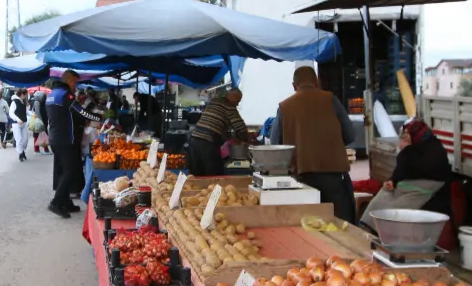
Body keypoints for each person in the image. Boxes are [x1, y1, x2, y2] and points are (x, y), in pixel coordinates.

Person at [269, 66, 356, 223]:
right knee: (339, 223)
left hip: (300, 176)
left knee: (307, 224)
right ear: (317, 82)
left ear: (294, 86)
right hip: (333, 175)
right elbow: (350, 135)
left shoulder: (285, 107)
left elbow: (275, 143)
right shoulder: (331, 100)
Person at [361, 119, 452, 228]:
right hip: (408, 186)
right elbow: (402, 169)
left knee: (392, 211)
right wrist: (393, 180)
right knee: (381, 198)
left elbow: (414, 167)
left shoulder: (434, 151)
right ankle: (366, 225)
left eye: (408, 135)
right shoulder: (417, 147)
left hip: (422, 190)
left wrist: (407, 149)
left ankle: (377, 230)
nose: (405, 137)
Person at [46, 70, 104, 218]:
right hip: (66, 139)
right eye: (75, 83)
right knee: (69, 171)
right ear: (70, 81)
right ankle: (56, 202)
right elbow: (81, 112)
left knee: (63, 170)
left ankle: (66, 202)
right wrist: (99, 117)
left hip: (55, 138)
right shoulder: (66, 95)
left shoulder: (52, 95)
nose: (75, 86)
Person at [189, 88, 249, 176]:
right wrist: (245, 139)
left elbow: (216, 123)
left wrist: (230, 136)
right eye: (238, 101)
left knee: (198, 174)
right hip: (207, 141)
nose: (237, 104)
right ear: (233, 97)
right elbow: (240, 127)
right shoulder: (229, 106)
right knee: (214, 174)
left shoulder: (214, 101)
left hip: (194, 139)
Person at [9, 88, 30, 162]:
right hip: (16, 124)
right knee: (19, 140)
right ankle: (20, 154)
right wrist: (17, 119)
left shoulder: (23, 102)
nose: (26, 96)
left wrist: (33, 114)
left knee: (25, 139)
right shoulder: (14, 102)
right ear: (22, 95)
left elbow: (26, 111)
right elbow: (11, 113)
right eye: (25, 95)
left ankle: (22, 150)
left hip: (24, 123)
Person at [31, 90, 50, 154]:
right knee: (36, 135)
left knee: (45, 135)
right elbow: (37, 112)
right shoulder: (37, 102)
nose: (45, 97)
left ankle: (46, 149)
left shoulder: (44, 101)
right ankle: (36, 150)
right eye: (44, 96)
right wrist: (40, 121)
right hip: (38, 121)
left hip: (44, 120)